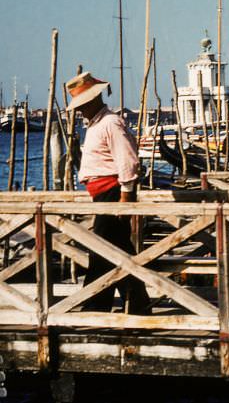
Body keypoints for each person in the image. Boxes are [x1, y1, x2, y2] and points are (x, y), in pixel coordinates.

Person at [67, 72, 151, 314]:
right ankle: (137, 303)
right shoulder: (97, 124)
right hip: (102, 194)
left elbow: (127, 160)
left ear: (93, 100)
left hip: (112, 193)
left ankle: (96, 305)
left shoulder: (110, 122)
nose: (80, 111)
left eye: (82, 105)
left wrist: (126, 195)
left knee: (102, 250)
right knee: (118, 251)